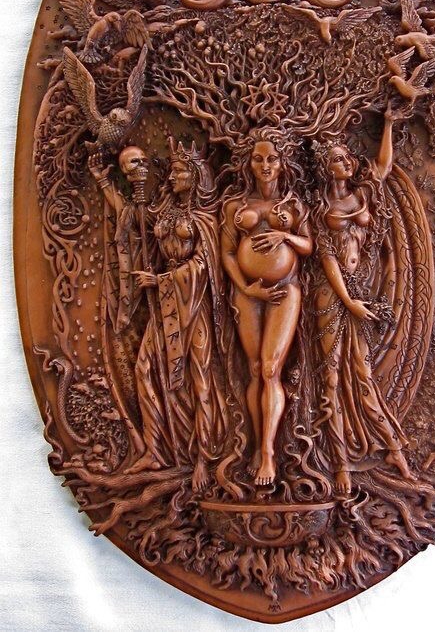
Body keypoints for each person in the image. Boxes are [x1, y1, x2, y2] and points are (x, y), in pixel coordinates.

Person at [312, 105, 413, 495]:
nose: (345, 164)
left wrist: (387, 123)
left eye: (346, 158)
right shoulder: (320, 207)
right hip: (330, 293)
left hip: (360, 288)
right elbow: (326, 257)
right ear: (325, 168)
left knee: (363, 371)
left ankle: (392, 447)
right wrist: (347, 300)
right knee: (330, 376)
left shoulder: (364, 194)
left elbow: (383, 166)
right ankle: (339, 463)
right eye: (336, 160)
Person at [123, 138, 228, 493]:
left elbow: (205, 265)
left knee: (200, 376)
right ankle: (155, 449)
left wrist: (162, 280)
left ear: (196, 175)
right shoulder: (163, 210)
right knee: (144, 367)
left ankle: (203, 458)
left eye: (179, 172)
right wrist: (128, 189)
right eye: (171, 171)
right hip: (165, 301)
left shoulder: (205, 218)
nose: (171, 177)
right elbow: (137, 226)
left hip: (193, 303)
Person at [220, 127, 313, 486]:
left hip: (285, 291)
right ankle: (255, 447)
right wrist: (246, 287)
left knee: (272, 367)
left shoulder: (293, 205)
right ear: (249, 163)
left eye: (272, 158)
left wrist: (285, 234)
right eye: (258, 159)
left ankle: (269, 453)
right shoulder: (236, 206)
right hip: (248, 293)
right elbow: (228, 252)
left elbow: (308, 246)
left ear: (282, 162)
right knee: (256, 368)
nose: (265, 165)